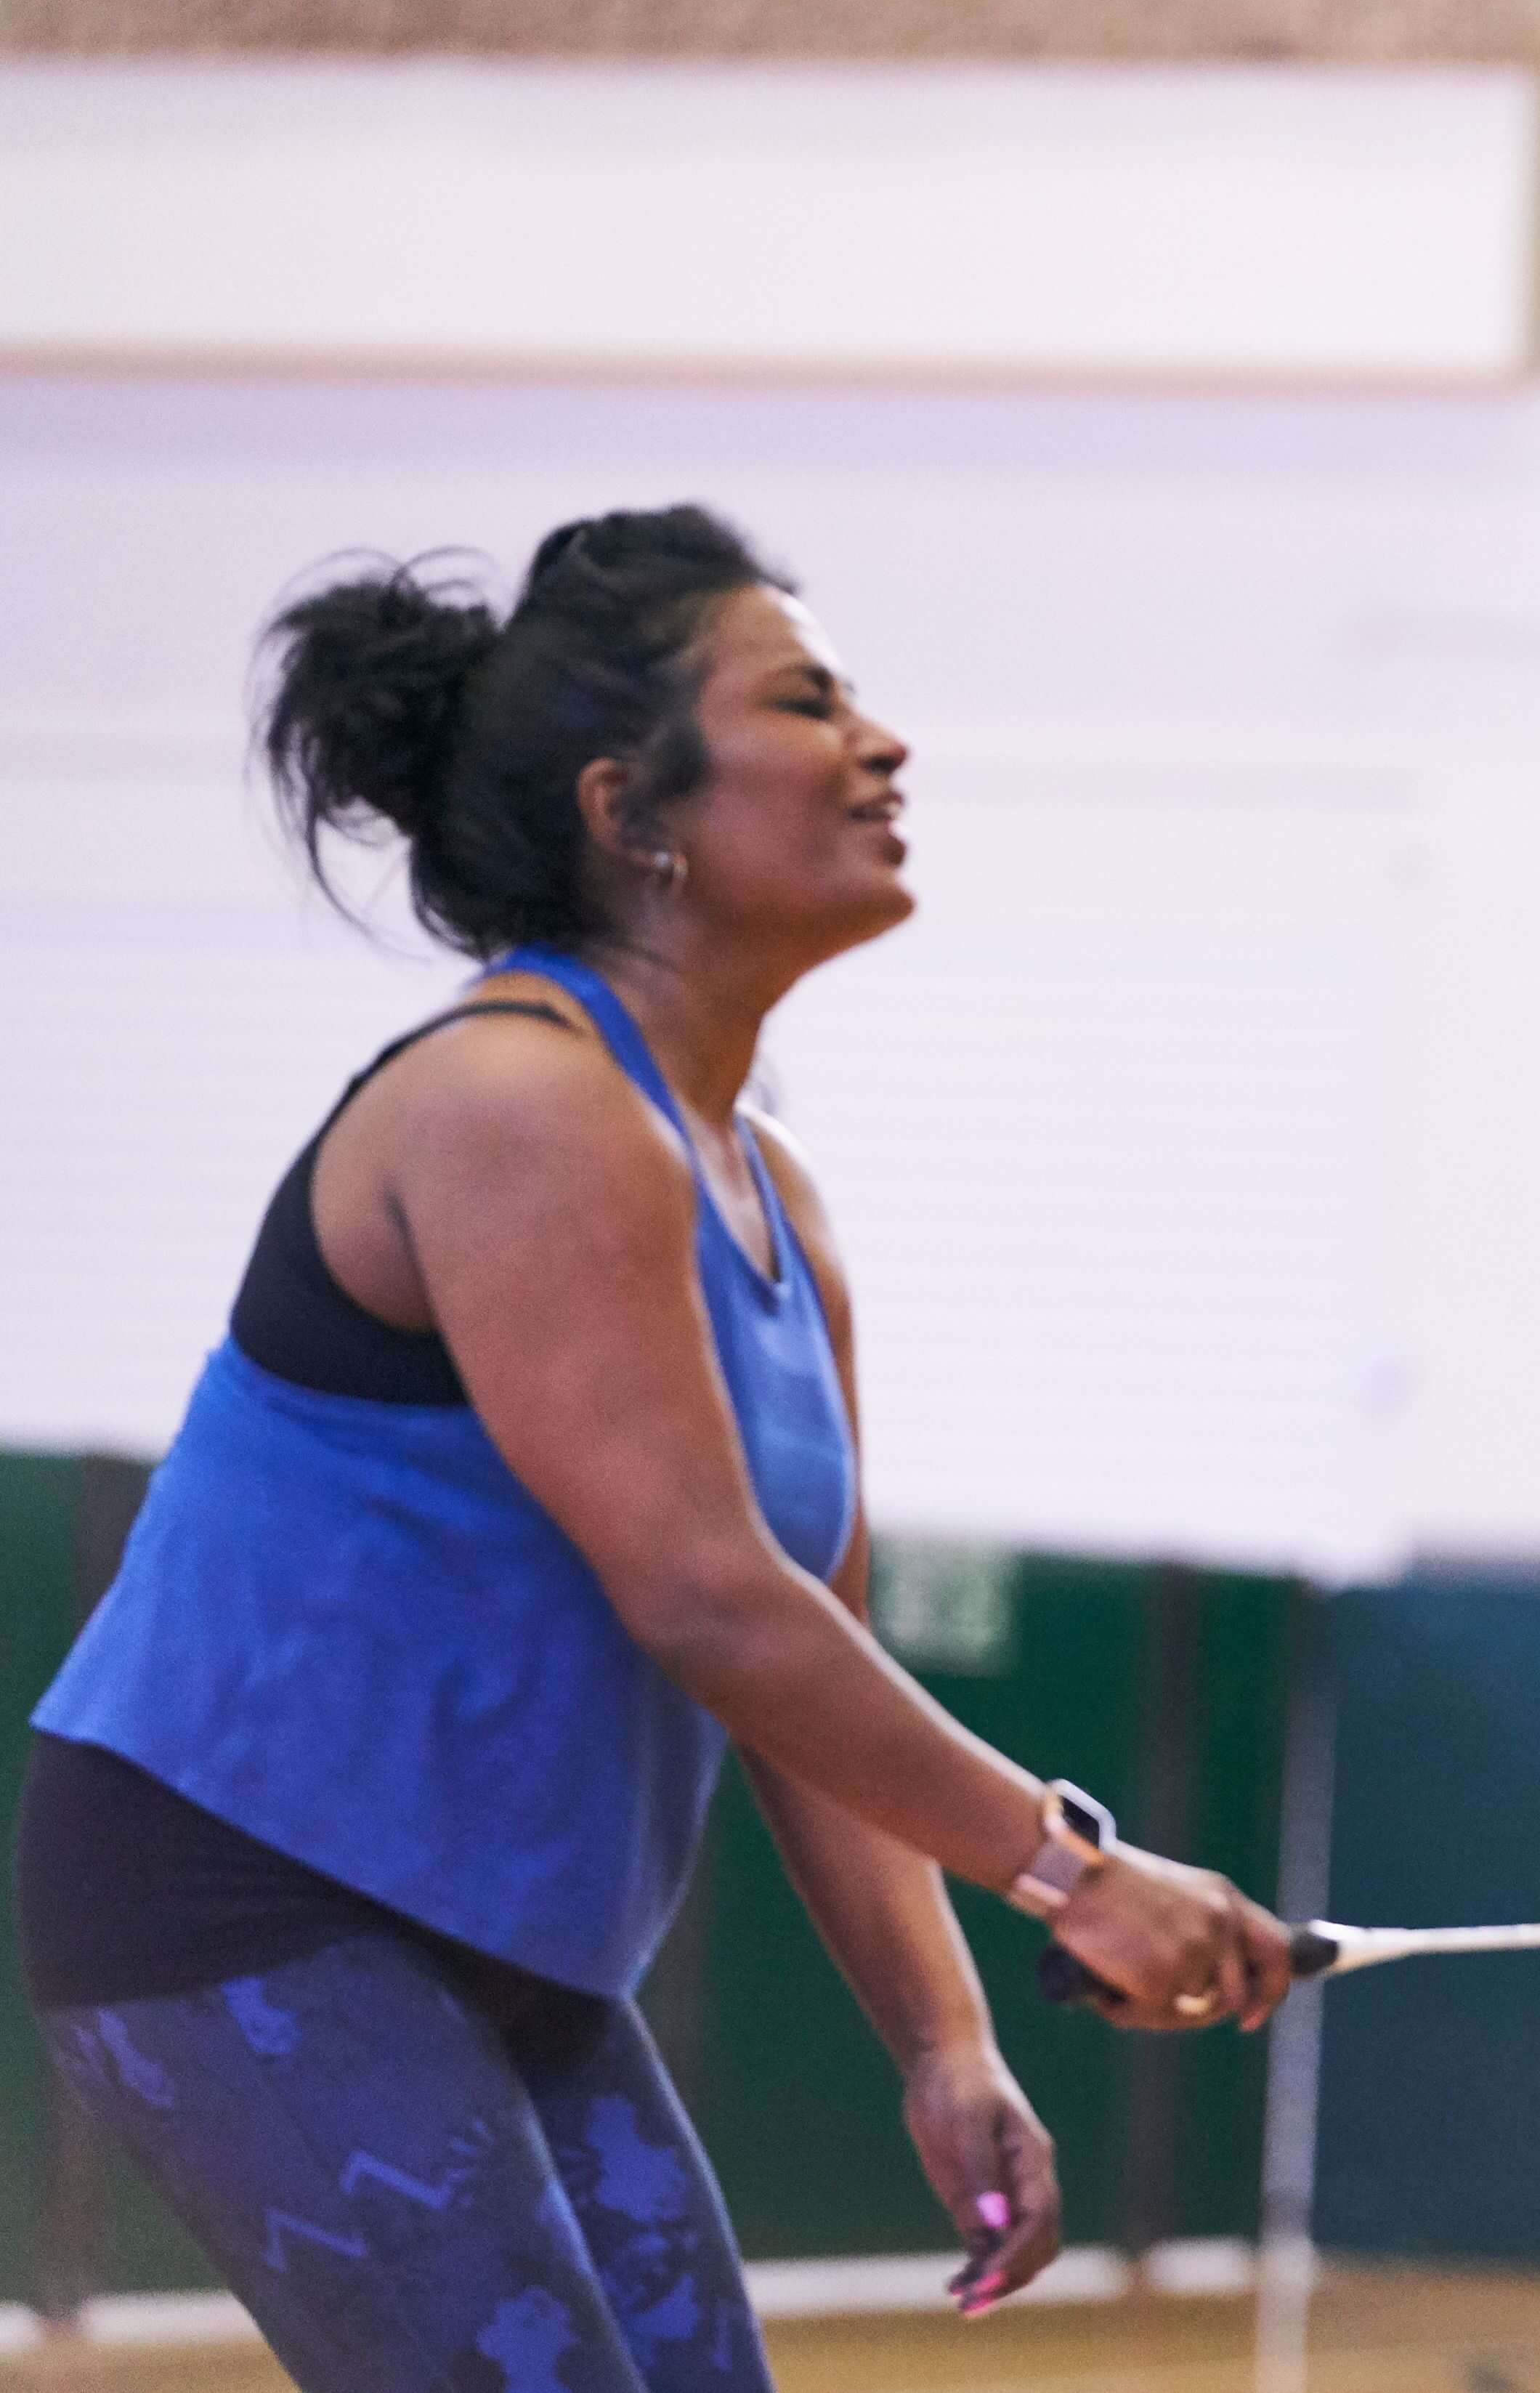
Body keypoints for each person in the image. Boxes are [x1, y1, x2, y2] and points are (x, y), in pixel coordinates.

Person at [15, 507, 1291, 2393]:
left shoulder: (777, 1204)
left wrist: (946, 2035)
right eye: (807, 700)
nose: (885, 743)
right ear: (636, 811)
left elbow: (809, 1664)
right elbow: (702, 1593)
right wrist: (1071, 1869)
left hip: (498, 1931)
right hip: (244, 1897)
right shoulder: (516, 1100)